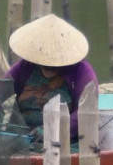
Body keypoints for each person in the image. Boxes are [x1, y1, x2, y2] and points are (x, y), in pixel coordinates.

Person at [5, 13, 98, 146]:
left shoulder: (81, 71)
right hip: (21, 139)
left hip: (63, 143)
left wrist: (52, 130)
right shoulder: (25, 67)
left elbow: (87, 111)